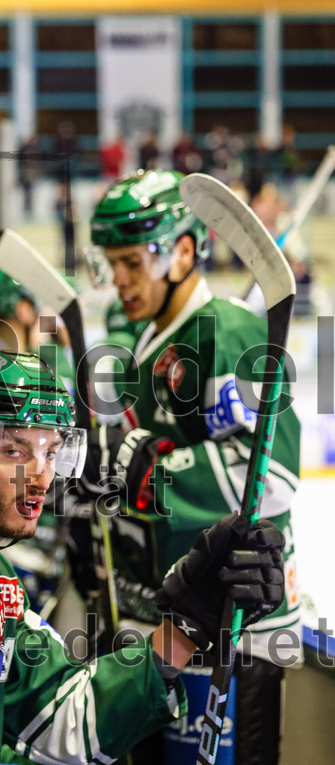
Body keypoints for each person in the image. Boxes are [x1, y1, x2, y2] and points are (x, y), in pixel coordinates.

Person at [0, 347, 286, 764]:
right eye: (16, 451)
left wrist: (188, 627)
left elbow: (63, 719)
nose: (42, 478)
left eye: (51, 452)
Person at [83, 169, 300, 763]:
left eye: (132, 261)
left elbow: (272, 475)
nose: (120, 280)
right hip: (174, 617)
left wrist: (149, 472)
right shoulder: (153, 339)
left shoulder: (225, 333)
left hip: (235, 620)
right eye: (112, 263)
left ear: (182, 250)